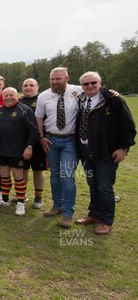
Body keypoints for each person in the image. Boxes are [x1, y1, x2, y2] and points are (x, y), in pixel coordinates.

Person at [74, 71, 136, 235]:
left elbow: (128, 126)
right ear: (82, 86)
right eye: (86, 84)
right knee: (93, 185)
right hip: (87, 151)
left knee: (104, 187)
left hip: (105, 152)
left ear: (100, 83)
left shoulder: (114, 101)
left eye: (93, 82)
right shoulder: (81, 99)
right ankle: (94, 215)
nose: (90, 86)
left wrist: (123, 148)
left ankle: (106, 221)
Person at [35, 67, 82, 228]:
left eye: (58, 79)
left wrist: (112, 92)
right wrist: (41, 136)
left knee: (67, 176)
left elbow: (96, 93)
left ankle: (68, 213)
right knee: (55, 175)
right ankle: (57, 205)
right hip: (51, 140)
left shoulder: (79, 91)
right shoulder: (44, 96)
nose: (55, 82)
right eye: (52, 79)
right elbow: (39, 117)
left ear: (67, 78)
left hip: (70, 140)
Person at [0, 87, 39, 216]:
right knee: (3, 174)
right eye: (5, 96)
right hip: (2, 149)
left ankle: (21, 203)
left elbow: (33, 130)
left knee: (18, 176)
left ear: (17, 96)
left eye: (11, 95)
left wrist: (29, 147)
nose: (8, 98)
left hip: (18, 150)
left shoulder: (24, 110)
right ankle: (5, 200)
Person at [19, 78, 47, 209]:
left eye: (31, 85)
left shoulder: (43, 100)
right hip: (21, 143)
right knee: (22, 169)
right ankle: (22, 195)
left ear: (38, 87)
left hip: (39, 142)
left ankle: (38, 197)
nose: (28, 87)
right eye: (25, 85)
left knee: (38, 170)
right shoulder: (17, 102)